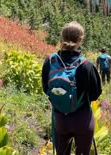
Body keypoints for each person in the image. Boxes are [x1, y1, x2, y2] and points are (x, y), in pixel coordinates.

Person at [42, 21, 102, 155]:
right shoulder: (86, 65)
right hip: (82, 119)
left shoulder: (50, 61)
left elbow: (46, 88)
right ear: (80, 39)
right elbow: (95, 93)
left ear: (62, 38)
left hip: (60, 120)